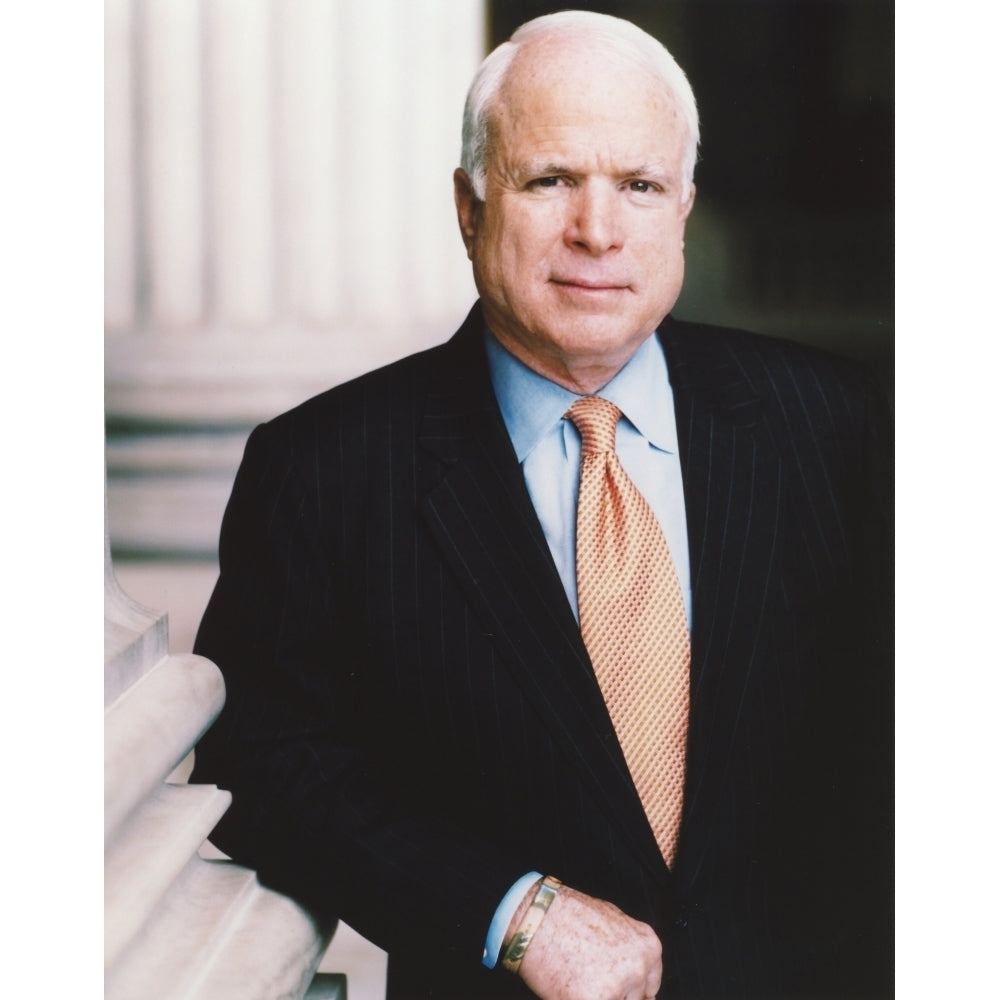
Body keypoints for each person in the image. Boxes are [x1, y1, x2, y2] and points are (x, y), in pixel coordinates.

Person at [191, 11, 892, 999]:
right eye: (550, 180)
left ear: (683, 206)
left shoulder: (838, 424)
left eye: (639, 187)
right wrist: (506, 907)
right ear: (470, 207)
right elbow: (260, 763)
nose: (597, 232)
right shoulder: (325, 467)